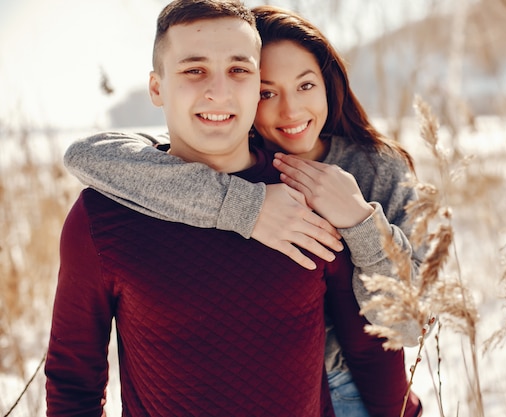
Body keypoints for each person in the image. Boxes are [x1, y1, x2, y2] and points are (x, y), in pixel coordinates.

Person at [63, 5, 424, 417]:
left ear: (328, 84)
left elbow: (390, 334)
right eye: (268, 92)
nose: (289, 112)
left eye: (305, 85)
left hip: (340, 388)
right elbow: (89, 157)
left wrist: (361, 221)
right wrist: (246, 207)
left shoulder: (354, 177)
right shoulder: (170, 171)